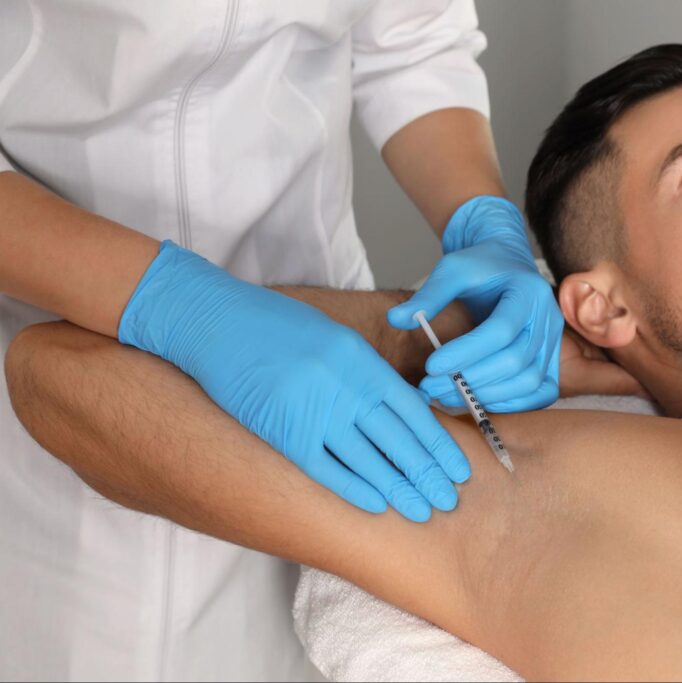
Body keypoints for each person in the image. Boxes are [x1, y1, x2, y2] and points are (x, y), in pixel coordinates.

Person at [8, 43, 682, 680]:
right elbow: (59, 368)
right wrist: (391, 330)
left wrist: (482, 236)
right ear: (599, 304)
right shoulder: (624, 496)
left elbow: (414, 38)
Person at [0, 2, 640, 679]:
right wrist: (173, 303)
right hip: (45, 303)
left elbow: (413, 40)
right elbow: (57, 374)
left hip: (325, 339)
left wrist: (481, 221)